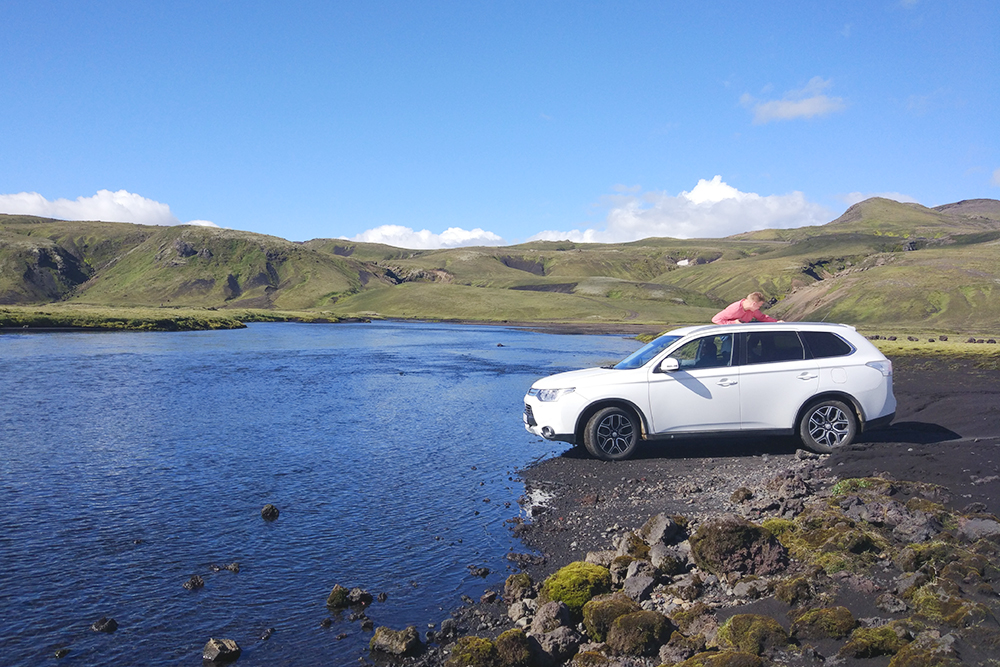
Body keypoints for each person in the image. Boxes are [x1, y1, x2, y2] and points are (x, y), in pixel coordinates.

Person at [712, 291, 783, 324]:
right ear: (754, 304)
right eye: (759, 306)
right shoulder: (735, 309)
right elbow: (716, 319)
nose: (759, 308)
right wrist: (733, 323)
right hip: (729, 333)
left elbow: (762, 317)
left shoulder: (753, 310)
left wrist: (776, 322)